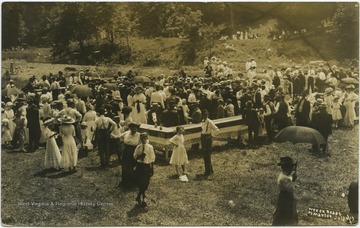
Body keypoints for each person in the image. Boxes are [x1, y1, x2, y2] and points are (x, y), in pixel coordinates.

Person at [272, 156, 298, 226]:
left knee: (287, 215)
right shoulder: (283, 178)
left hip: (286, 196)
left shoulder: (285, 174)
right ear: (285, 167)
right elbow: (291, 188)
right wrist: (294, 180)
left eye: (292, 166)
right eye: (290, 167)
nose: (292, 168)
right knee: (283, 215)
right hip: (285, 198)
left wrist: (292, 178)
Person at [133, 132, 155, 207]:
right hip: (140, 166)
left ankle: (139, 196)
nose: (143, 139)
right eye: (142, 138)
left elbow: (152, 159)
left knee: (146, 182)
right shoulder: (138, 147)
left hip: (147, 166)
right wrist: (140, 156)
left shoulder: (150, 147)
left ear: (147, 138)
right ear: (140, 139)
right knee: (140, 182)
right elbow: (135, 157)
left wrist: (152, 169)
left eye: (145, 138)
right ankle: (144, 197)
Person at [119, 122, 141, 188]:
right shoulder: (126, 133)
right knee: (125, 166)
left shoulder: (139, 135)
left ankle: (133, 182)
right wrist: (122, 143)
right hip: (126, 151)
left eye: (135, 127)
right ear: (130, 128)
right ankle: (125, 181)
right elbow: (120, 137)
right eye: (132, 127)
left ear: (137, 128)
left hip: (134, 151)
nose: (133, 129)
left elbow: (145, 142)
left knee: (133, 166)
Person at [199, 109, 219, 180]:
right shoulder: (202, 121)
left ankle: (208, 171)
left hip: (208, 138)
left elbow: (217, 129)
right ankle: (208, 170)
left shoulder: (210, 122)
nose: (206, 116)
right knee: (204, 154)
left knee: (208, 154)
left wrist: (211, 136)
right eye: (204, 115)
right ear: (202, 115)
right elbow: (203, 129)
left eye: (207, 115)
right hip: (203, 137)